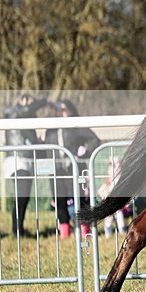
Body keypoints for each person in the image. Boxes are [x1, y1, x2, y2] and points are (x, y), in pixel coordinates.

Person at [44, 100, 100, 239]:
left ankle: (84, 231)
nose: (60, 112)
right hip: (56, 170)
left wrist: (85, 151)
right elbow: (46, 149)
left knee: (78, 200)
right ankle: (64, 233)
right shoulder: (51, 129)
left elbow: (94, 139)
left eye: (63, 109)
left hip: (74, 170)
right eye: (58, 110)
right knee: (60, 202)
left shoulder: (76, 126)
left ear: (70, 111)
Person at [3, 94, 48, 236]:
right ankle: (17, 231)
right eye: (29, 102)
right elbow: (27, 109)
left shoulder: (28, 120)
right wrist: (45, 101)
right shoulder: (13, 112)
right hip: (17, 161)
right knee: (21, 197)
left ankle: (19, 229)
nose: (32, 106)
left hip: (27, 161)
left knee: (24, 197)